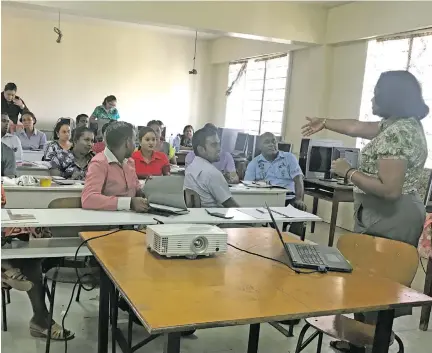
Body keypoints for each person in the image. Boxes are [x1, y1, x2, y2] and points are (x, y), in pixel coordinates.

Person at [302, 70, 428, 351]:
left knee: (377, 285)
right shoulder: (399, 125)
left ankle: (372, 343)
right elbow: (357, 127)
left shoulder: (399, 133)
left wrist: (349, 173)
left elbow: (390, 189)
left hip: (392, 214)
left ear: (391, 98)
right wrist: (325, 123)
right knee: (363, 279)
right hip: (380, 212)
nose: (372, 98)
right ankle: (360, 341)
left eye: (376, 93)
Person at [81, 121, 149, 212]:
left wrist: (147, 191)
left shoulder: (129, 162)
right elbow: (88, 199)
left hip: (131, 219)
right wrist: (129, 203)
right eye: (134, 140)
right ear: (127, 143)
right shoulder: (99, 163)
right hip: (108, 222)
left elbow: (136, 188)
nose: (135, 144)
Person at [244, 132, 306, 211]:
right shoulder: (254, 163)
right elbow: (247, 185)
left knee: (299, 208)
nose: (271, 144)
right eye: (267, 142)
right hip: (265, 199)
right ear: (260, 146)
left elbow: (298, 179)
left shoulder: (289, 157)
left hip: (288, 198)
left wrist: (299, 199)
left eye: (274, 141)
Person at [184, 127, 239, 208]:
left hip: (196, 217)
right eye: (214, 145)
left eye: (219, 144)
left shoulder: (191, 167)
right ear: (201, 149)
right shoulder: (212, 173)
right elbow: (232, 206)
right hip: (213, 218)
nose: (219, 149)